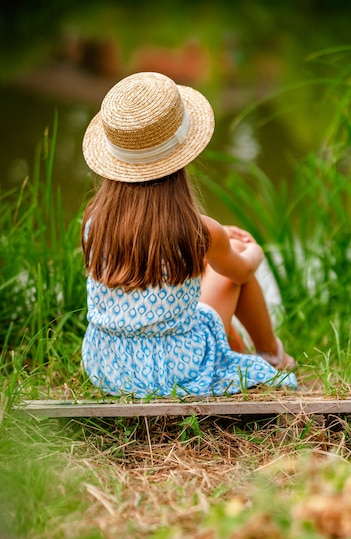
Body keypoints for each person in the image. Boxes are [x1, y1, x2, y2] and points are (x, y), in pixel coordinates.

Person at [81, 72, 297, 397]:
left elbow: (151, 249)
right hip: (177, 368)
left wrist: (218, 237)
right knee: (233, 271)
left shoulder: (93, 223)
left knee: (212, 267)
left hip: (109, 367)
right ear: (181, 159)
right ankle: (272, 354)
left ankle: (249, 350)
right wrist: (255, 251)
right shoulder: (199, 231)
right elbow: (242, 270)